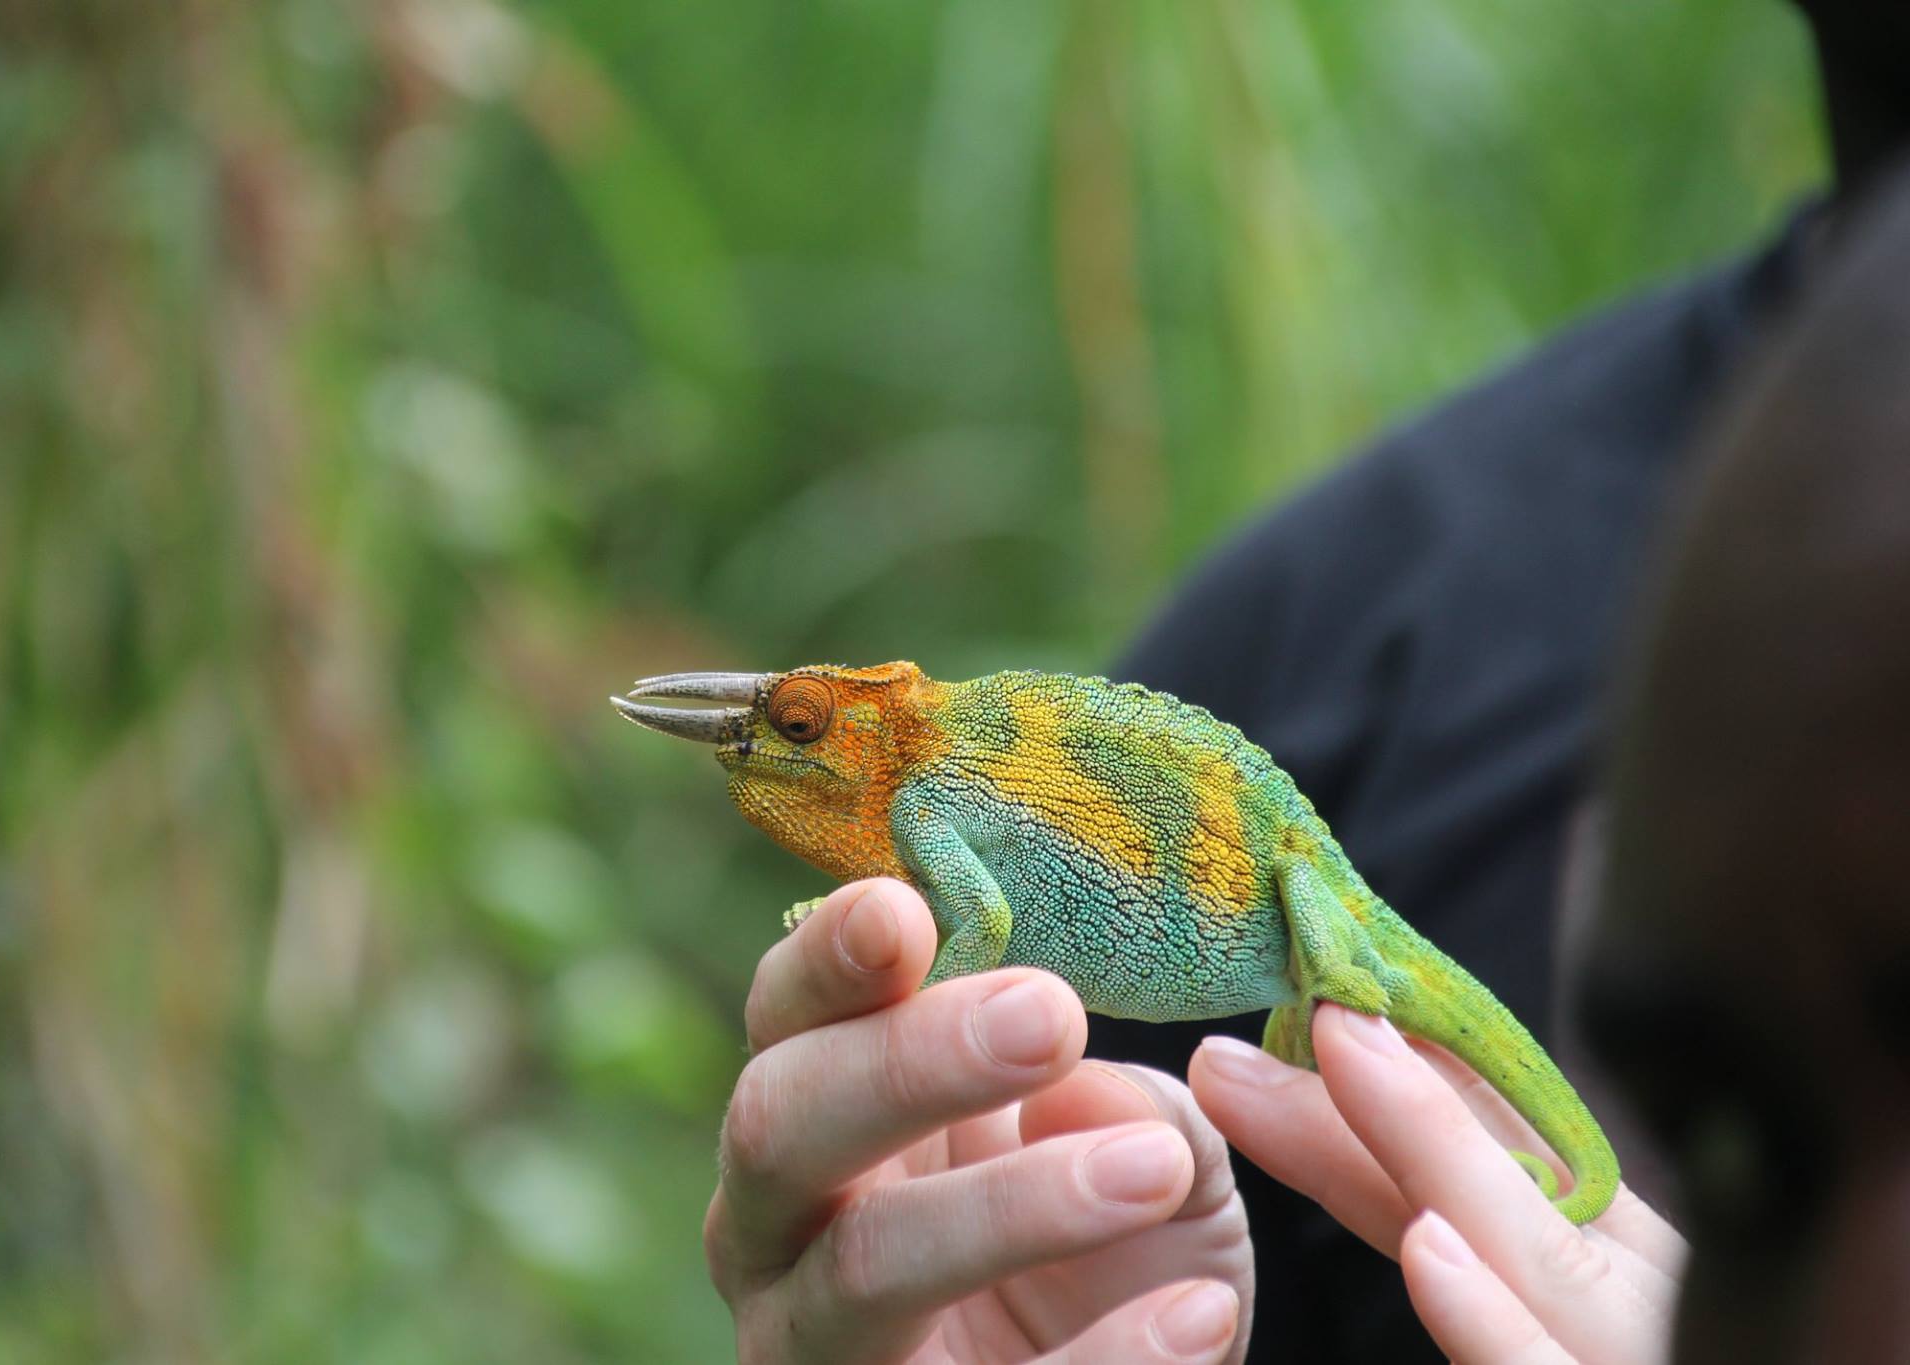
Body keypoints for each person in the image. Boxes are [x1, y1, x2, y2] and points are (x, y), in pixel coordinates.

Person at [700, 2, 1910, 1359]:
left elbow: (978, 923)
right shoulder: (1315, 627)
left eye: (799, 723)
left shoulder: (943, 777)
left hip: (1302, 898)